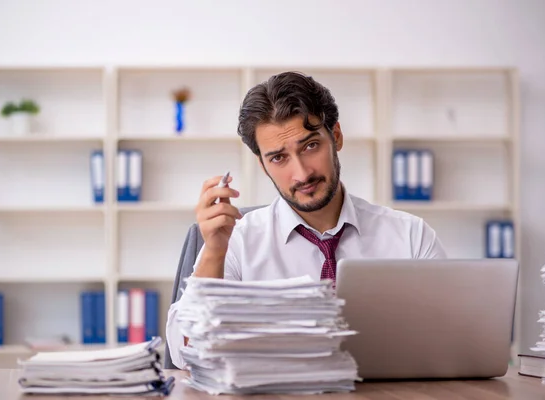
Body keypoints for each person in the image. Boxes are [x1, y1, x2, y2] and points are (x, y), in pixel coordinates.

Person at [166, 71, 447, 369]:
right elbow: (184, 354)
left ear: (335, 136)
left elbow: (451, 341)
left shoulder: (411, 237)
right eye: (278, 158)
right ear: (263, 165)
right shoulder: (238, 241)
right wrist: (214, 252)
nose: (301, 174)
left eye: (310, 146)